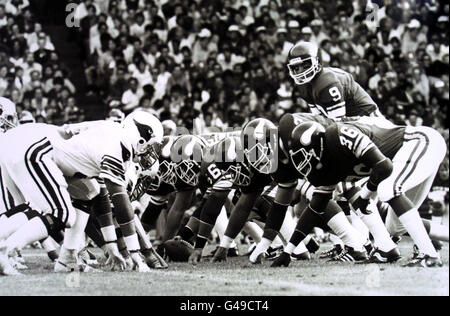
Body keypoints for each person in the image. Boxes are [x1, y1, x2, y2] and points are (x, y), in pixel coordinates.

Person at [271, 116, 448, 268]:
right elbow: (315, 209)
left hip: (421, 141)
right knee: (395, 227)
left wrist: (365, 195)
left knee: (388, 189)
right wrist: (288, 251)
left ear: (319, 145)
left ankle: (429, 255)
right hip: (406, 158)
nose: (305, 162)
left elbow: (384, 167)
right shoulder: (327, 167)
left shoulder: (338, 135)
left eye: (306, 155)